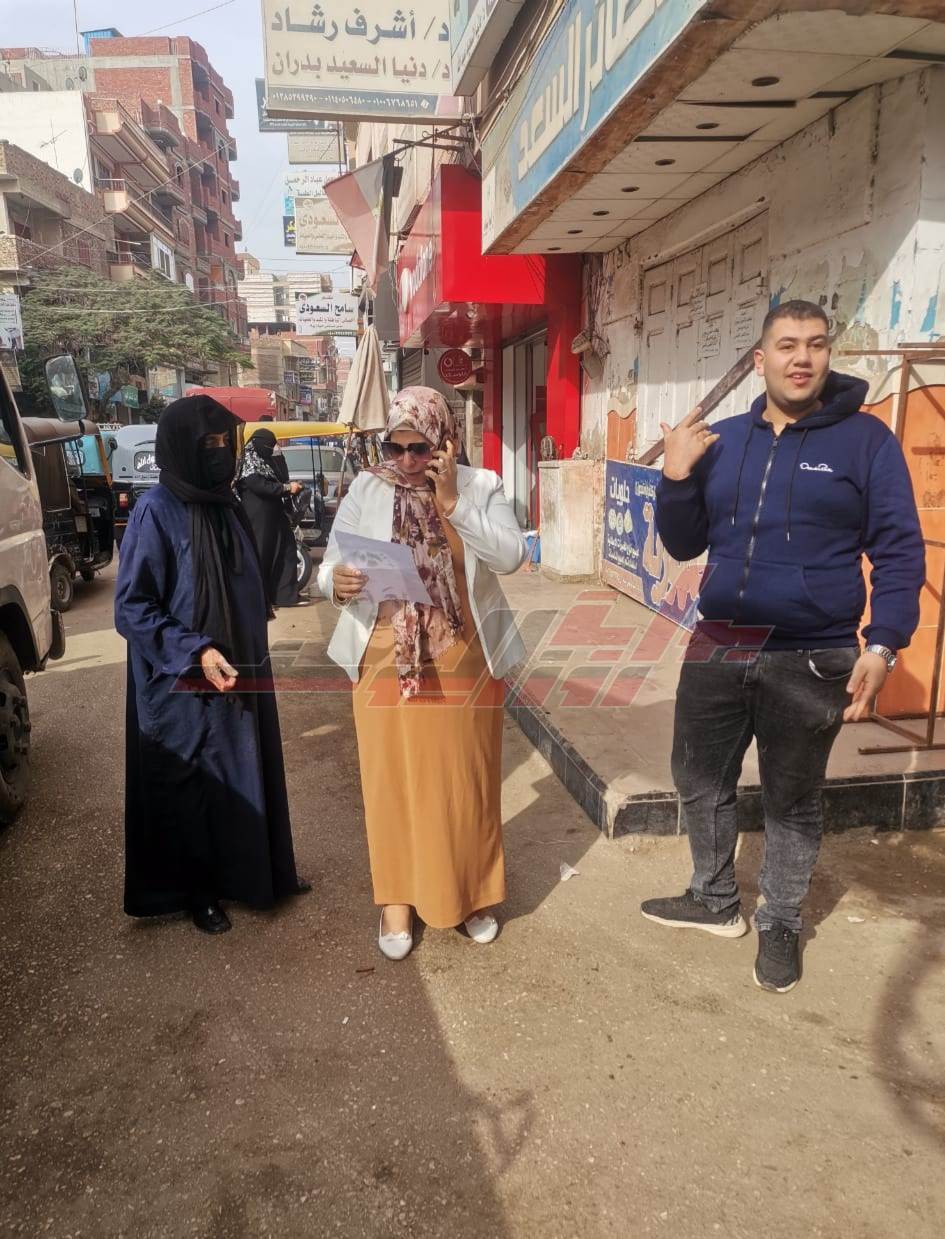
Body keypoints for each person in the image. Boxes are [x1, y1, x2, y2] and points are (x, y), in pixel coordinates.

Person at [641, 300, 925, 992]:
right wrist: (675, 477)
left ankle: (780, 919)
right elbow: (683, 542)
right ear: (759, 359)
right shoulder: (724, 441)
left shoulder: (865, 442)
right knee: (698, 776)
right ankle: (713, 897)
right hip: (719, 642)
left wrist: (883, 644)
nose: (802, 357)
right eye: (788, 344)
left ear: (828, 355)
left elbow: (898, 549)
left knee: (791, 797)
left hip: (812, 652)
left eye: (816, 344)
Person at [317, 387, 527, 960]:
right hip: (385, 654)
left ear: (445, 441)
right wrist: (336, 582)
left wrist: (453, 502)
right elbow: (330, 564)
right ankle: (396, 899)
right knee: (392, 780)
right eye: (396, 447)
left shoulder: (481, 486)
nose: (407, 460)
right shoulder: (367, 488)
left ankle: (471, 894)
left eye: (420, 448)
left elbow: (511, 557)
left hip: (464, 656)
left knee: (465, 782)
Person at [115, 396, 309, 934]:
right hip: (185, 677)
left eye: (226, 442)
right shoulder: (156, 510)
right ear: (182, 448)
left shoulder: (226, 502)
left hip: (240, 665)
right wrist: (196, 650)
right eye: (209, 444)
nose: (220, 453)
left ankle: (260, 872)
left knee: (247, 769)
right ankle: (198, 892)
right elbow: (132, 607)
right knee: (196, 784)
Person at [236, 428, 308, 609]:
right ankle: (261, 600)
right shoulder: (249, 462)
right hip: (258, 519)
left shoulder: (266, 460)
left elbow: (282, 475)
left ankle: (285, 596)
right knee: (262, 555)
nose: (270, 449)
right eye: (269, 446)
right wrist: (286, 488)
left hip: (276, 515)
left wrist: (279, 459)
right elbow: (259, 485)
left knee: (287, 551)